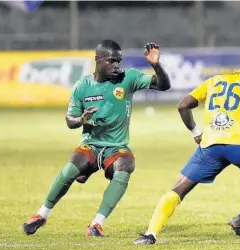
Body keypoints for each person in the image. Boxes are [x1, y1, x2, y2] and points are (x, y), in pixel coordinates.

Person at [134, 44, 240, 245]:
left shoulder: (215, 80)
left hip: (211, 146)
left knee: (179, 188)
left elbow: (183, 106)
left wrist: (196, 133)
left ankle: (150, 234)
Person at [22, 40, 171, 237]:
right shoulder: (82, 86)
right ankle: (41, 215)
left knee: (126, 165)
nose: (116, 65)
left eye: (118, 61)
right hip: (90, 145)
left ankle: (96, 224)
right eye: (111, 61)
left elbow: (164, 85)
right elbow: (70, 120)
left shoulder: (128, 78)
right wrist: (81, 119)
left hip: (116, 147)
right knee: (69, 170)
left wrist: (155, 64)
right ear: (98, 60)